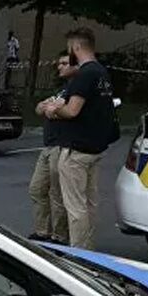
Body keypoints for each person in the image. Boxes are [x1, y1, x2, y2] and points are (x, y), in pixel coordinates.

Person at [40, 26, 117, 251]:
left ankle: (79, 253)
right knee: (89, 203)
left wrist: (55, 109)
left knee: (75, 207)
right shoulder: (102, 73)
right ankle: (89, 250)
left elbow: (72, 111)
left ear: (76, 47)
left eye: (69, 49)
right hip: (95, 148)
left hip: (76, 150)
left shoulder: (84, 74)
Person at [28, 52, 73, 244]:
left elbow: (59, 112)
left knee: (56, 193)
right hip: (48, 146)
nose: (59, 66)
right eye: (59, 63)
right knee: (36, 189)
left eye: (64, 63)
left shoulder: (75, 90)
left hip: (61, 146)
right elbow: (40, 108)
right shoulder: (62, 90)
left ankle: (59, 236)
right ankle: (42, 231)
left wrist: (52, 108)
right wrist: (49, 107)